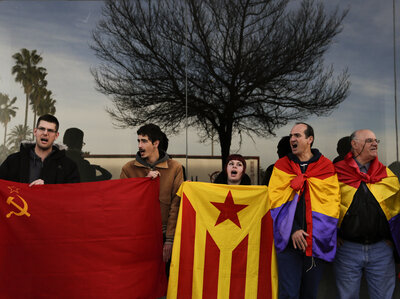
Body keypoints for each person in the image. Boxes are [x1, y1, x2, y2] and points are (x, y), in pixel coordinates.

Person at [268, 122, 340, 299]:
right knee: (288, 294)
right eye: (291, 135)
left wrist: (311, 233)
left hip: (314, 242)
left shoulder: (326, 167)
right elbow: (275, 202)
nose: (292, 139)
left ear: (310, 139)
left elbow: (332, 205)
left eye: (297, 136)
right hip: (288, 242)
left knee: (310, 294)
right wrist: (293, 230)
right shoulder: (281, 166)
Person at [334, 129, 400, 299]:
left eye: (375, 140)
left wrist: (392, 239)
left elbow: (397, 210)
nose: (375, 143)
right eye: (369, 140)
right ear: (354, 145)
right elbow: (324, 207)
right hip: (347, 249)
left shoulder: (386, 175)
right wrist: (333, 234)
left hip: (381, 250)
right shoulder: (336, 174)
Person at [120, 124, 184, 264]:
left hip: (164, 236)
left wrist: (170, 239)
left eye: (144, 141)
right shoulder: (128, 169)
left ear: (156, 143)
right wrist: (144, 183)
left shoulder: (175, 168)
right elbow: (123, 203)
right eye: (138, 141)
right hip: (138, 236)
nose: (139, 145)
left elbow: (176, 205)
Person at [0, 114, 79, 185]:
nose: (45, 133)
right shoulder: (13, 161)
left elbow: (72, 196)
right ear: (35, 131)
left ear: (56, 135)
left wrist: (47, 188)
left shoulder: (69, 166)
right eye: (42, 129)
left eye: (50, 130)